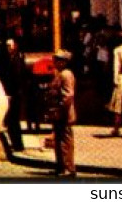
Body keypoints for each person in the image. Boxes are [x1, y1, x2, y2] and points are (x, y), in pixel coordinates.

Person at [49, 49, 77, 177]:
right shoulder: (60, 74)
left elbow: (68, 95)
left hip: (64, 114)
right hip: (58, 113)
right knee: (59, 141)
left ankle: (68, 168)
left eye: (58, 60)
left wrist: (60, 109)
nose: (55, 62)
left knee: (65, 142)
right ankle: (60, 166)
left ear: (64, 62)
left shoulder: (66, 74)